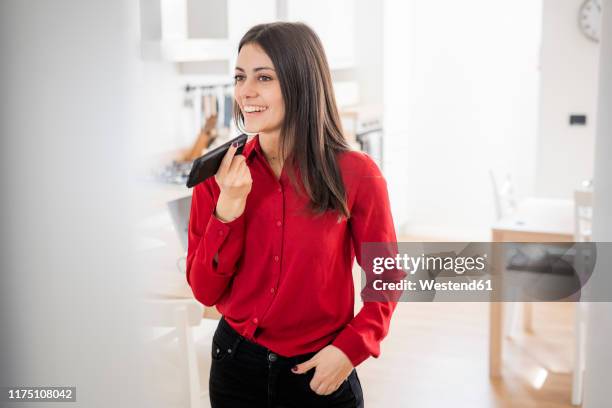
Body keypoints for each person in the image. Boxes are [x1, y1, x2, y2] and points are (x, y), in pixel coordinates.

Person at [186, 22, 400, 408]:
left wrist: (351, 349)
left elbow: (385, 276)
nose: (245, 91)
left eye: (263, 77)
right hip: (235, 367)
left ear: (301, 82)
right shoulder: (218, 178)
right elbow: (204, 290)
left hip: (320, 371)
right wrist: (227, 212)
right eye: (239, 77)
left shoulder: (357, 174)